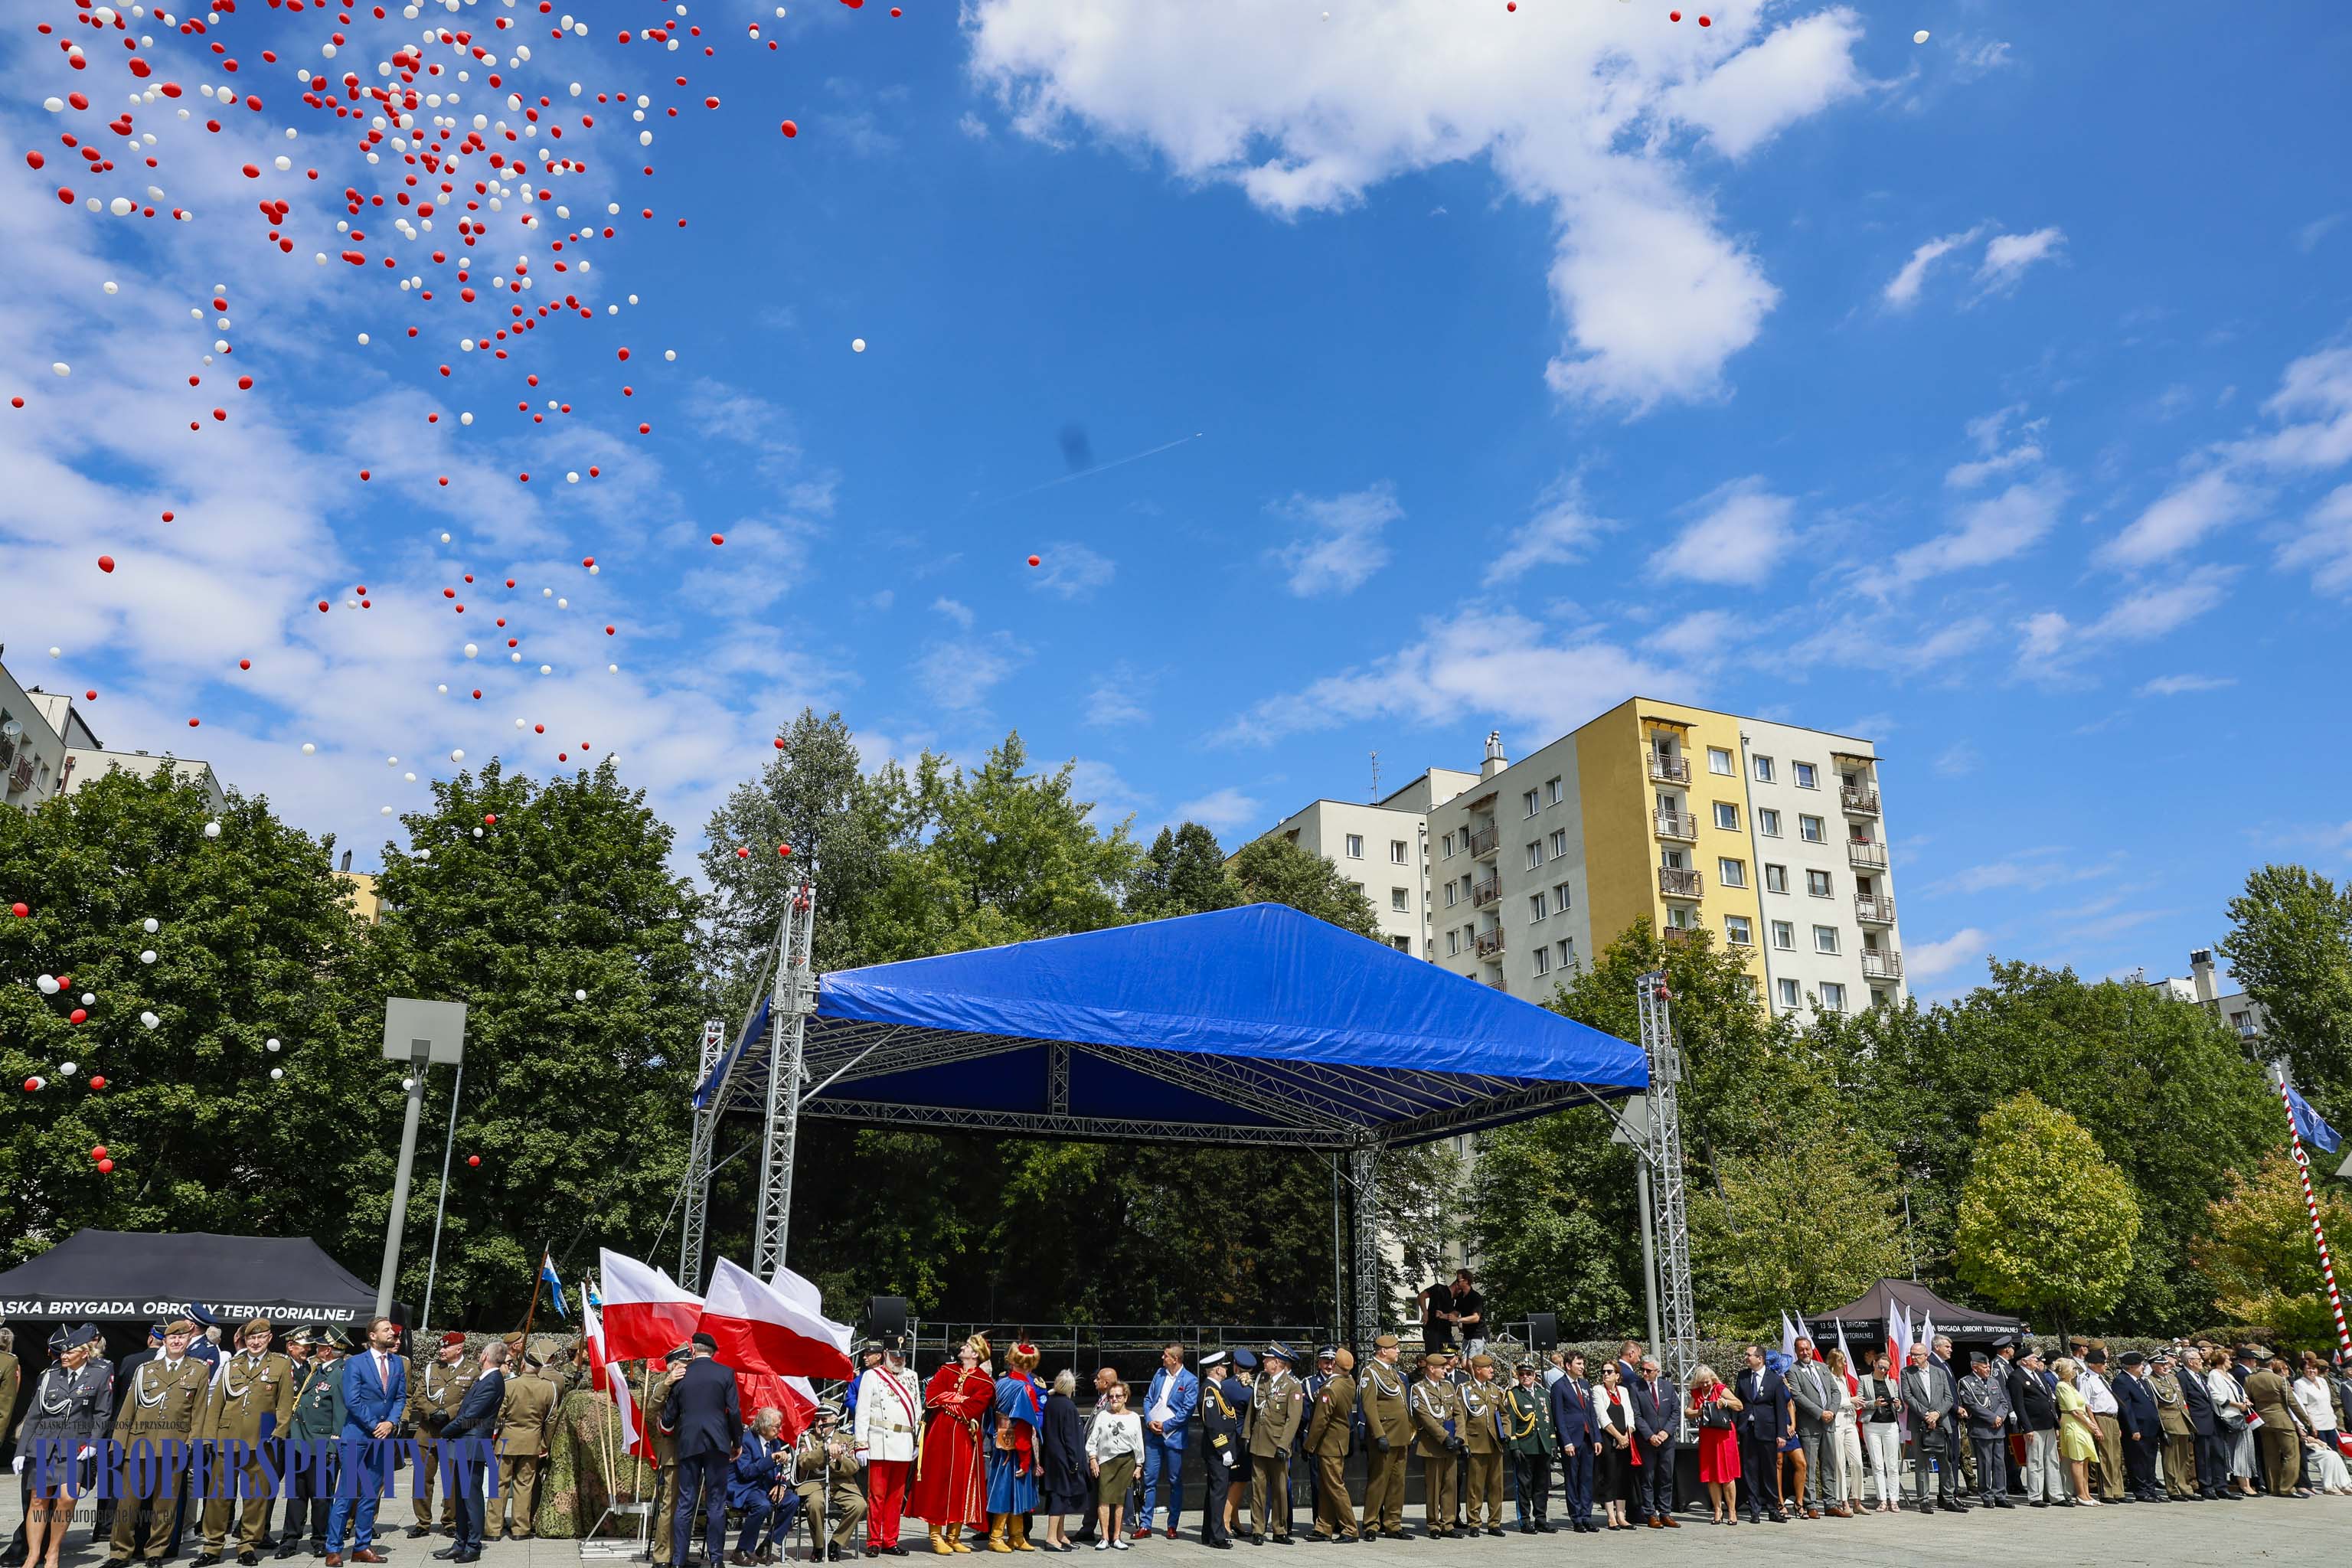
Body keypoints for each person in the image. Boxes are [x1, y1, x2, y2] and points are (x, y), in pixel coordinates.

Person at [110, 1319, 214, 1567]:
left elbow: (199, 1412)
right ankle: (119, 1553)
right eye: (172, 1338)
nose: (177, 1341)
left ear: (188, 1341)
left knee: (164, 1506)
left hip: (173, 1446)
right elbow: (127, 1411)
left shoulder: (198, 1370)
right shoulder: (146, 1369)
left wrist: (193, 1443)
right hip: (138, 1445)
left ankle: (155, 1552)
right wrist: (118, 1443)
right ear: (164, 1341)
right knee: (127, 1504)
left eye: (182, 1338)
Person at [194, 1318, 296, 1568]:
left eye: (260, 1337)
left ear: (269, 1339)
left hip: (262, 1440)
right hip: (227, 1439)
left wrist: (280, 1433)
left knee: (255, 1498)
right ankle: (212, 1546)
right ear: (244, 1340)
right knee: (219, 1496)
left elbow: (284, 1404)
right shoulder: (231, 1365)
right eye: (251, 1338)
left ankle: (248, 1545)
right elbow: (215, 1404)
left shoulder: (281, 1365)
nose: (255, 1342)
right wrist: (208, 1437)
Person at [18, 1323, 109, 1568]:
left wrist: (94, 1443)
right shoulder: (49, 1376)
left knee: (68, 1497)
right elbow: (34, 1415)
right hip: (43, 1445)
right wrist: (20, 1451)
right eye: (62, 1352)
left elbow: (102, 1414)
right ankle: (33, 1554)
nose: (64, 1356)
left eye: (69, 1352)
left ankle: (53, 1551)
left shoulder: (100, 1374)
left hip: (74, 1447)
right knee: (39, 1500)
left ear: (84, 1352)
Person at [322, 1316, 407, 1568]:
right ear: (372, 1335)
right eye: (386, 1330)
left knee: (370, 1495)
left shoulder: (398, 1364)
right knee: (346, 1494)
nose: (392, 1333)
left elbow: (400, 1397)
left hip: (383, 1437)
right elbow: (352, 1400)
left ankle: (362, 1546)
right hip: (357, 1435)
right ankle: (334, 1549)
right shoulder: (355, 1363)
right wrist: (375, 1426)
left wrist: (390, 1423)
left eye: (391, 1330)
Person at [665, 1331, 746, 1568]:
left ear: (694, 1350)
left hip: (689, 1442)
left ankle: (678, 1560)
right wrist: (737, 1441)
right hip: (718, 1442)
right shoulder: (725, 1373)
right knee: (716, 1503)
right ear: (713, 1351)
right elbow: (734, 1411)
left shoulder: (681, 1375)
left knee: (686, 1502)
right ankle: (717, 1560)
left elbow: (669, 1418)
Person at [912, 1336, 992, 1555]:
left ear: (975, 1354)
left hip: (965, 1440)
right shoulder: (947, 1370)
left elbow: (974, 1408)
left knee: (960, 1485)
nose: (962, 1348)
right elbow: (931, 1396)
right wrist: (958, 1398)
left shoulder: (986, 1382)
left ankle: (953, 1536)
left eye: (967, 1346)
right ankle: (936, 1535)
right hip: (940, 1435)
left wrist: (949, 1401)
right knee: (938, 1482)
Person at [433, 1339, 508, 1566]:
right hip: (465, 1444)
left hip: (473, 1444)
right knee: (461, 1496)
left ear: (485, 1356)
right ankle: (460, 1542)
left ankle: (473, 1545)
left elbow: (471, 1416)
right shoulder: (486, 1379)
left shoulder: (493, 1380)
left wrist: (445, 1432)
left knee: (471, 1498)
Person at [280, 1329, 347, 1560]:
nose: (314, 1350)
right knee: (296, 1494)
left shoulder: (339, 1374)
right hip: (300, 1441)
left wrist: (333, 1445)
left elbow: (340, 1411)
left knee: (320, 1496)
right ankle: (290, 1539)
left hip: (320, 1443)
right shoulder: (318, 1370)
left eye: (318, 1347)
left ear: (328, 1350)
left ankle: (320, 1539)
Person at [856, 1334, 923, 1558]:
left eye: (902, 1356)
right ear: (885, 1355)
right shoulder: (872, 1377)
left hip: (904, 1441)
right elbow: (862, 1412)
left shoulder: (912, 1376)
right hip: (879, 1441)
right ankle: (874, 1540)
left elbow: (917, 1410)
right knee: (877, 1496)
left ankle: (890, 1539)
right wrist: (861, 1444)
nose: (899, 1360)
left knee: (896, 1497)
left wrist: (916, 1440)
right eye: (895, 1356)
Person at [407, 1333, 476, 1541]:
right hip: (427, 1432)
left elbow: (472, 1399)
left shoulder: (473, 1370)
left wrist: (448, 1413)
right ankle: (422, 1522)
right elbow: (418, 1395)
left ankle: (451, 1521)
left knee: (452, 1481)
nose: (441, 1351)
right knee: (421, 1479)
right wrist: (431, 1412)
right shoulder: (432, 1368)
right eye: (441, 1347)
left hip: (453, 1433)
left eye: (446, 1347)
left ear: (459, 1349)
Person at [983, 1343, 1047, 1553]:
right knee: (1010, 1491)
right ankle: (998, 1536)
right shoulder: (1025, 1388)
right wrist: (1027, 1457)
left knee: (1010, 1490)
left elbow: (991, 1415)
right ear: (1030, 1365)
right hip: (1017, 1447)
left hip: (1000, 1441)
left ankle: (1016, 1536)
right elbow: (1025, 1426)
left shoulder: (1000, 1383)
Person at [487, 1351, 556, 1540]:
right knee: (524, 1486)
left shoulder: (510, 1385)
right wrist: (545, 1444)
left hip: (506, 1443)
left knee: (498, 1485)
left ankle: (493, 1529)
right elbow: (551, 1420)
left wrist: (496, 1437)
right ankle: (520, 1529)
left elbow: (498, 1416)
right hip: (532, 1443)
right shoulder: (549, 1388)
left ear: (524, 1365)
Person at [1246, 1344, 1303, 1545]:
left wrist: (1283, 1445)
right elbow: (1252, 1411)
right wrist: (1247, 1436)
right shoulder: (1261, 1380)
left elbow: (1293, 1419)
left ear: (1277, 1362)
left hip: (1278, 1445)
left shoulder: (1292, 1385)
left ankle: (1280, 1530)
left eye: (1267, 1359)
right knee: (1258, 1490)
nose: (1263, 1362)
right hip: (1259, 1443)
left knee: (1280, 1490)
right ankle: (1258, 1530)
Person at [1138, 1343, 1195, 1542]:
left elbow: (1186, 1412)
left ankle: (1172, 1525)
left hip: (1173, 1437)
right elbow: (1147, 1399)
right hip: (1154, 1436)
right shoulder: (1159, 1374)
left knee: (1174, 1482)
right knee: (1149, 1479)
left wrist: (1166, 1426)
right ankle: (1146, 1524)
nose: (1163, 1359)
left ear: (1175, 1359)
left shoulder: (1190, 1380)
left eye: (1165, 1356)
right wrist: (1148, 1420)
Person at [796, 1406, 868, 1563]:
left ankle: (836, 1542)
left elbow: (854, 1467)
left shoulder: (847, 1439)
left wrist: (841, 1458)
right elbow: (804, 1462)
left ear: (835, 1420)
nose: (819, 1424)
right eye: (816, 1420)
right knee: (815, 1504)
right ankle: (819, 1546)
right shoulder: (807, 1438)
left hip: (842, 1483)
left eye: (824, 1420)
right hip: (815, 1483)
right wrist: (824, 1450)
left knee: (859, 1505)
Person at [1357, 1338, 1410, 1542]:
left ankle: (1393, 1523)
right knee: (1378, 1481)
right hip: (1385, 1435)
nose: (1398, 1351)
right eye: (1394, 1348)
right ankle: (1371, 1523)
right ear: (1382, 1351)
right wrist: (1379, 1434)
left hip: (1401, 1435)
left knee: (1398, 1482)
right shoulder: (1370, 1373)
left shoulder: (1393, 1372)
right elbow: (1369, 1407)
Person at [1304, 1347, 1359, 1542]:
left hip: (1329, 1444)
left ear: (1335, 1364)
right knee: (1327, 1486)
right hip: (1339, 1441)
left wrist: (1309, 1445)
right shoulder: (1349, 1382)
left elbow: (1320, 1421)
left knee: (1335, 1487)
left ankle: (1350, 1528)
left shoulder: (1330, 1388)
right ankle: (1324, 1526)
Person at [1900, 1342, 1960, 1514]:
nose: (1913, 1358)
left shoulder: (1939, 1372)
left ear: (1926, 1355)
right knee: (1921, 1464)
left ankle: (1948, 1499)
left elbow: (1949, 1398)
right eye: (1912, 1354)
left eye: (1917, 1355)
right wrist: (1927, 1415)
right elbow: (1908, 1396)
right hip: (1920, 1423)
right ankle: (1924, 1500)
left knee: (1946, 1462)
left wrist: (1937, 1414)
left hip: (1941, 1422)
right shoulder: (1907, 1373)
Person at [1406, 1354, 1462, 1539]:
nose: (1445, 1370)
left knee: (1450, 1485)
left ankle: (1448, 1522)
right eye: (1441, 1367)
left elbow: (1458, 1413)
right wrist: (1445, 1437)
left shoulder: (1448, 1387)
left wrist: (1460, 1438)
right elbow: (1425, 1417)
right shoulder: (1418, 1389)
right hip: (1433, 1444)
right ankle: (1433, 1524)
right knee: (1433, 1486)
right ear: (1431, 1369)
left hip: (1451, 1444)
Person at [1733, 1344, 1788, 1524]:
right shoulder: (1743, 1376)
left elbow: (1781, 1409)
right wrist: (1734, 1428)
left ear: (1760, 1358)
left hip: (1768, 1430)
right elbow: (1737, 1402)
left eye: (1749, 1355)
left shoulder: (1775, 1380)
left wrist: (1781, 1434)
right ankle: (1754, 1509)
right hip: (1747, 1430)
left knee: (1769, 1470)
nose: (1746, 1358)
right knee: (1750, 1471)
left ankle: (1773, 1508)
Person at [1194, 1354, 1244, 1550]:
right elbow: (1213, 1424)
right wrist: (1224, 1450)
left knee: (1216, 1492)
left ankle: (1209, 1534)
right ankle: (1217, 1536)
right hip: (1217, 1450)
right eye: (1223, 1366)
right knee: (1218, 1493)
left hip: (1220, 1449)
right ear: (1216, 1369)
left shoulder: (1216, 1389)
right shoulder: (1209, 1391)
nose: (1226, 1369)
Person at [1085, 1381, 1142, 1553]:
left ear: (1126, 1397)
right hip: (1106, 1461)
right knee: (1103, 1498)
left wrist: (1139, 1465)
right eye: (1111, 1396)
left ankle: (1116, 1537)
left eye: (1118, 1396)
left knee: (1120, 1501)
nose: (1114, 1399)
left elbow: (1138, 1443)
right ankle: (1104, 1538)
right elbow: (1092, 1440)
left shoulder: (1134, 1417)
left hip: (1126, 1461)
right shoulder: (1103, 1415)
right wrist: (1093, 1458)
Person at [1785, 1338, 1838, 1521]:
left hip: (1829, 1424)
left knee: (1829, 1465)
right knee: (1809, 1467)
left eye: (1807, 1349)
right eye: (1801, 1350)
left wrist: (1831, 1411)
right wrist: (1820, 1413)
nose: (1805, 1353)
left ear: (1811, 1349)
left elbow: (1835, 1391)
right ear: (1796, 1351)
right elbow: (1797, 1396)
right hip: (1810, 1425)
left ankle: (1831, 1503)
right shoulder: (1793, 1370)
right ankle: (1811, 1504)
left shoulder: (1822, 1367)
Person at [1500, 1361, 1553, 1536]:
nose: (1525, 1377)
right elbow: (1511, 1422)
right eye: (1522, 1374)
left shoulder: (1543, 1394)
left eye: (1529, 1374)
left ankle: (1541, 1519)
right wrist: (1514, 1446)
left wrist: (1552, 1444)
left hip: (1542, 1445)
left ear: (1535, 1376)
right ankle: (1525, 1520)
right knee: (1524, 1486)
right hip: (1525, 1446)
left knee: (1542, 1485)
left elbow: (1548, 1421)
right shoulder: (1514, 1395)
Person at [1040, 1370, 1091, 1553]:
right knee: (1060, 1498)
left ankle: (1060, 1535)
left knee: (1059, 1496)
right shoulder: (1068, 1406)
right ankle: (1052, 1537)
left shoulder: (1051, 1404)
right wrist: (1075, 1461)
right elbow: (1070, 1437)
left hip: (1052, 1456)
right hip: (1063, 1458)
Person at [1547, 1353, 1597, 1534]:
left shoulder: (1584, 1385)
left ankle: (1587, 1516)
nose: (1582, 1367)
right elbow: (1559, 1416)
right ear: (1568, 1366)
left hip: (1587, 1438)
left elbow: (1591, 1413)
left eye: (1583, 1363)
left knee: (1587, 1480)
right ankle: (1576, 1518)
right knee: (1573, 1479)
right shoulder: (1559, 1387)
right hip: (1571, 1441)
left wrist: (1597, 1438)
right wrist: (1565, 1441)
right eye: (1579, 1363)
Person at [1686, 1365, 1741, 1527]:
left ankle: (1732, 1510)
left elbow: (1739, 1405)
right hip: (1708, 1435)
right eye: (1701, 1383)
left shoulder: (1720, 1388)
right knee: (1711, 1474)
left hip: (1724, 1435)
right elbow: (1687, 1412)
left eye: (1707, 1382)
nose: (1705, 1385)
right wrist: (1699, 1411)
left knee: (1727, 1474)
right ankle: (1717, 1510)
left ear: (1713, 1379)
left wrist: (1725, 1402)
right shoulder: (1696, 1393)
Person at [1456, 1354, 1505, 1535]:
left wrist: (1505, 1434)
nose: (1492, 1370)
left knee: (1496, 1486)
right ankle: (1474, 1522)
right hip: (1476, 1443)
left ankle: (1494, 1523)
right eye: (1488, 1367)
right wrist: (1464, 1442)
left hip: (1494, 1444)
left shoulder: (1494, 1390)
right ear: (1477, 1369)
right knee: (1475, 1487)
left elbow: (1504, 1415)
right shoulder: (1465, 1389)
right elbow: (1460, 1417)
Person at [1958, 1351, 2014, 1510]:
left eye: (1988, 1366)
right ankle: (1986, 1495)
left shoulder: (1993, 1381)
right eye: (1985, 1366)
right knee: (1985, 1463)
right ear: (1975, 1368)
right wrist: (1992, 1418)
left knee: (1999, 1463)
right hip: (1982, 1429)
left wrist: (2000, 1417)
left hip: (1998, 1429)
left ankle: (2001, 1495)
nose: (1988, 1369)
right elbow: (1972, 1405)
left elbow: (2004, 1402)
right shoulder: (1966, 1382)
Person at [2246, 1353, 2305, 1498]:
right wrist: (2307, 1421)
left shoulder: (2250, 1379)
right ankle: (2287, 1488)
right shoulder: (2279, 1380)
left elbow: (2247, 1398)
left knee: (2270, 1456)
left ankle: (2274, 1487)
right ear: (2271, 1364)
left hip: (2262, 1421)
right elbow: (2292, 1403)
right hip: (2282, 1420)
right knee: (2291, 1455)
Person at [1629, 1357, 1678, 1528]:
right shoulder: (1636, 1388)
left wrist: (1665, 1432)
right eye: (1643, 1370)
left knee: (1666, 1477)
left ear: (1657, 1371)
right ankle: (1650, 1513)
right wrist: (1650, 1435)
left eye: (1648, 1371)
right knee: (1648, 1478)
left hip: (1666, 1441)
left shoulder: (1668, 1387)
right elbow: (1636, 1415)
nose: (1644, 1373)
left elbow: (1675, 1411)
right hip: (1647, 1441)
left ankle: (1665, 1512)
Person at [2292, 1354, 2350, 1495]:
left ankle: (2342, 1483)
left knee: (2335, 1453)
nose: (2311, 1371)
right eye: (2308, 1369)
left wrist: (2335, 1421)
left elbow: (2328, 1402)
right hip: (2316, 1424)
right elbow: (2304, 1407)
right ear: (2303, 1370)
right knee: (2325, 1455)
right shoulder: (2300, 1384)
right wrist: (2311, 1426)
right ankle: (2328, 1484)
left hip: (2329, 1422)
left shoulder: (2323, 1382)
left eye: (2314, 1369)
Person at [2111, 1352, 2164, 1504]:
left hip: (2151, 1428)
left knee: (2150, 1460)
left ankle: (2150, 1489)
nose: (2143, 1368)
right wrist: (2133, 1428)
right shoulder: (2121, 1381)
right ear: (2132, 1366)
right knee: (2138, 1461)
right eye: (2141, 1365)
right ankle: (2141, 1490)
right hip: (2137, 1429)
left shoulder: (2142, 1381)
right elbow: (2125, 1407)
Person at [2011, 1350, 2061, 1507]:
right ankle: (2035, 1496)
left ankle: (2056, 1495)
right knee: (2035, 1461)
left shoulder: (2038, 1374)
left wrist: (2055, 1423)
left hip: (2048, 1424)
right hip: (2034, 1425)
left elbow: (2049, 1399)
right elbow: (2019, 1405)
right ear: (2024, 1361)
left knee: (2052, 1460)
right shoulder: (2016, 1377)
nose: (2037, 1360)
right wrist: (2027, 1428)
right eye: (2034, 1358)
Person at [2207, 1349, 2257, 1498]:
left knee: (2243, 1451)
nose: (2231, 1361)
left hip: (2239, 1415)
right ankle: (2228, 1486)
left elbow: (2238, 1391)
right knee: (2228, 1453)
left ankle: (2245, 1484)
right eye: (2228, 1358)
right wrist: (2237, 1405)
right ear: (2221, 1360)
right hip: (2227, 1417)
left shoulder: (2229, 1375)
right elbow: (2215, 1395)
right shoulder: (2214, 1374)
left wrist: (2245, 1400)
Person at [2076, 1348, 2125, 1504]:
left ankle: (2118, 1490)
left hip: (2112, 1418)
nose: (2105, 1365)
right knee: (2105, 1456)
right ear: (2094, 1364)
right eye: (2103, 1363)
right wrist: (2095, 1426)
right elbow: (2087, 1405)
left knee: (2116, 1456)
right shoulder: (2085, 1379)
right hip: (2100, 1417)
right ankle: (2107, 1492)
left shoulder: (2101, 1378)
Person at [1592, 1364, 1635, 1533]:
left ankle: (1622, 1516)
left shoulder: (1623, 1391)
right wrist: (1618, 1436)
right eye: (1603, 1372)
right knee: (1609, 1476)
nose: (1605, 1374)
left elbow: (1630, 1415)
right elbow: (1602, 1417)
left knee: (1623, 1476)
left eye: (1609, 1372)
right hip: (1608, 1438)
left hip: (1625, 1439)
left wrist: (1627, 1435)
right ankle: (1611, 1516)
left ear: (1618, 1375)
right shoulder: (1598, 1390)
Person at [2052, 1358, 2102, 1507]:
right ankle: (2080, 1494)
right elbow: (2074, 1410)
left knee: (2085, 1459)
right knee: (2078, 1459)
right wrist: (2092, 1426)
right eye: (2073, 1369)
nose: (2075, 1371)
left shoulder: (2070, 1386)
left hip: (2081, 1424)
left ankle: (2086, 1494)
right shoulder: (2062, 1386)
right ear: (2066, 1371)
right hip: (2073, 1423)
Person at [1860, 1350, 1903, 1514]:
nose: (1883, 1371)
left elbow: (1900, 1408)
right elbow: (1860, 1402)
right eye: (1880, 1367)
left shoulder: (1892, 1383)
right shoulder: (1864, 1380)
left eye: (1886, 1368)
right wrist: (1874, 1403)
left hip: (1890, 1425)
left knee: (1892, 1465)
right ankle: (1882, 1500)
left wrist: (1898, 1405)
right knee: (1877, 1464)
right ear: (1874, 1364)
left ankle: (1894, 1500)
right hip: (1872, 1425)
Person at [2151, 1351, 2198, 1501]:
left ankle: (2185, 1487)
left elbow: (2181, 1402)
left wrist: (2189, 1424)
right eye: (2161, 1365)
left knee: (2184, 1458)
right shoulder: (2151, 1381)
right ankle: (2173, 1489)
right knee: (2171, 1459)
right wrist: (2162, 1429)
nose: (2165, 1367)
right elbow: (2156, 1406)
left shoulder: (2173, 1378)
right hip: (2169, 1422)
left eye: (2166, 1364)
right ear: (2154, 1366)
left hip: (2182, 1421)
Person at [1823, 1348, 1865, 1513]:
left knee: (1857, 1463)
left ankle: (1857, 1499)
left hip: (1849, 1421)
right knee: (1840, 1463)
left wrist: (1855, 1404)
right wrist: (1850, 1400)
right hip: (1837, 1421)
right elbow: (1829, 1401)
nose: (1845, 1364)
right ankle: (1843, 1501)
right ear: (1835, 1361)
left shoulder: (1844, 1378)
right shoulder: (1829, 1378)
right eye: (1843, 1361)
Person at [1447, 1272, 1487, 1358]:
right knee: (1464, 1364)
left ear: (1466, 1281)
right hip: (1467, 1335)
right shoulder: (1461, 1297)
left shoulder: (1475, 1297)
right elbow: (1455, 1313)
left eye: (1458, 1280)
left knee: (1472, 1363)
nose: (1456, 1283)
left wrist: (1458, 1319)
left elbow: (1476, 1318)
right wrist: (1443, 1315)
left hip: (1478, 1334)